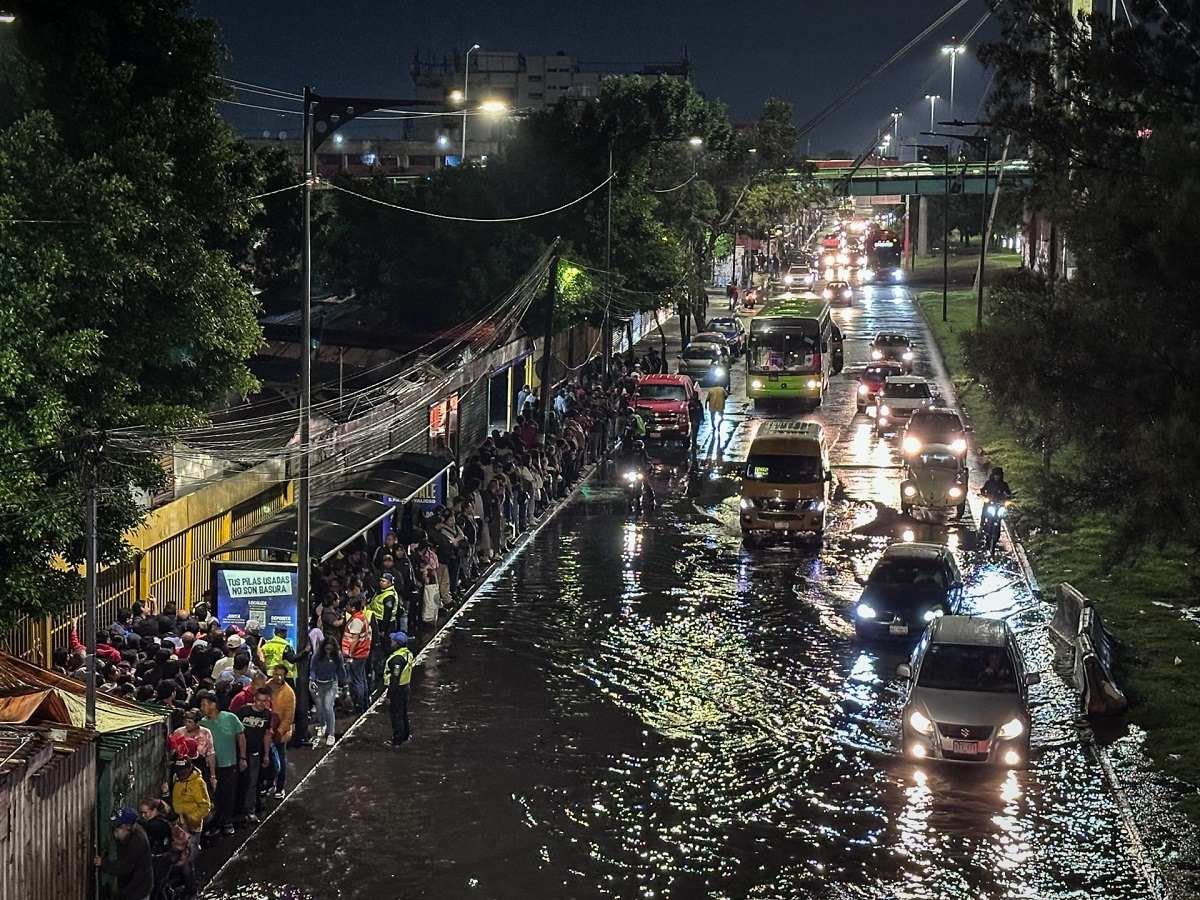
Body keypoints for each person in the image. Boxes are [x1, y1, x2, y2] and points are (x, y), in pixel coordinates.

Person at [197, 690, 246, 837]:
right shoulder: (202, 723)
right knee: (214, 796)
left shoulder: (230, 718)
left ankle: (227, 822)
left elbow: (241, 737)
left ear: (213, 705)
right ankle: (216, 823)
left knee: (228, 795)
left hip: (229, 764)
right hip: (211, 767)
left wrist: (242, 757)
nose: (202, 708)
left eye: (204, 704)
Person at [236, 687, 275, 824]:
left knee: (252, 783)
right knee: (239, 781)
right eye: (259, 700)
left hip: (255, 754)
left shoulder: (268, 715)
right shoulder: (243, 711)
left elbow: (267, 735)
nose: (262, 703)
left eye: (265, 701)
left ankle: (250, 811)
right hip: (238, 753)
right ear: (254, 699)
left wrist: (266, 755)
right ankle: (238, 809)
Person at [95, 808, 153, 900]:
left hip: (138, 890)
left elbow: (125, 867)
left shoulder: (137, 841)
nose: (115, 828)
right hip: (131, 886)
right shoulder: (126, 834)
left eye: (118, 825)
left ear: (128, 827)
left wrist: (104, 863)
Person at [266, 663, 295, 798]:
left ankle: (280, 787)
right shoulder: (266, 686)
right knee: (268, 761)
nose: (278, 677)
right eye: (276, 674)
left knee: (281, 760)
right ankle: (269, 783)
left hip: (280, 734)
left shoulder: (289, 693)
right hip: (266, 732)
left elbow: (289, 717)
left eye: (281, 675)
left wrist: (279, 732)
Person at [310, 636, 346, 746]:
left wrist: (344, 684)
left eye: (330, 650)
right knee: (320, 708)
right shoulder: (317, 654)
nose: (328, 651)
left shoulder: (338, 656)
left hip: (331, 684)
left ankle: (331, 734)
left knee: (328, 707)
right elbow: (312, 668)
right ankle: (322, 724)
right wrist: (312, 680)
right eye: (327, 649)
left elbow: (341, 670)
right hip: (317, 684)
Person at [340, 598, 372, 715]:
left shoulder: (357, 620)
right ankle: (365, 704)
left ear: (353, 608)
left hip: (357, 654)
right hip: (362, 653)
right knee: (361, 679)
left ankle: (360, 707)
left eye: (348, 605)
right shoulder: (361, 617)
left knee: (357, 681)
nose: (346, 608)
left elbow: (355, 639)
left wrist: (349, 654)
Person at [383, 631, 415, 748]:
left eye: (393, 641)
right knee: (403, 713)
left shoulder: (397, 659)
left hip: (398, 690)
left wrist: (389, 696)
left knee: (396, 715)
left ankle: (398, 739)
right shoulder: (407, 653)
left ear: (397, 643)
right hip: (406, 687)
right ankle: (406, 735)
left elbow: (394, 679)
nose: (391, 642)